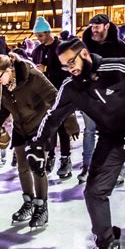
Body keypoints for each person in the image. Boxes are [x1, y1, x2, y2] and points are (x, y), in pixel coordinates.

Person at [27, 38, 125, 249]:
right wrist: (37, 146)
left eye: (71, 62)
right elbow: (53, 117)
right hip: (112, 140)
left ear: (84, 54)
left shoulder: (119, 67)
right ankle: (107, 247)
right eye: (64, 65)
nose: (69, 68)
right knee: (94, 192)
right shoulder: (72, 87)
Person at [0, 53, 78, 228]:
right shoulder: (4, 84)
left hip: (40, 127)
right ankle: (28, 202)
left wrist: (70, 123)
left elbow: (56, 98)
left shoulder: (33, 77)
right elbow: (4, 107)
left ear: (9, 70)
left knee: (37, 166)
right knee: (22, 166)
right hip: (20, 128)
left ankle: (41, 207)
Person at [81, 14, 125, 185]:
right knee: (89, 132)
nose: (93, 29)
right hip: (91, 96)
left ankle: (118, 170)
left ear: (107, 26)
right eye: (92, 26)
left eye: (97, 26)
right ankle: (87, 167)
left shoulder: (119, 46)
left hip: (113, 98)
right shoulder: (86, 45)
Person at [31, 17, 78, 179]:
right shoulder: (37, 51)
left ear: (48, 32)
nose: (38, 38)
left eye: (41, 35)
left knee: (63, 127)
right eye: (37, 36)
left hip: (61, 92)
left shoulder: (60, 48)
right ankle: (50, 156)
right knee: (48, 127)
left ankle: (65, 159)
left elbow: (69, 70)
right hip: (44, 95)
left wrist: (48, 69)